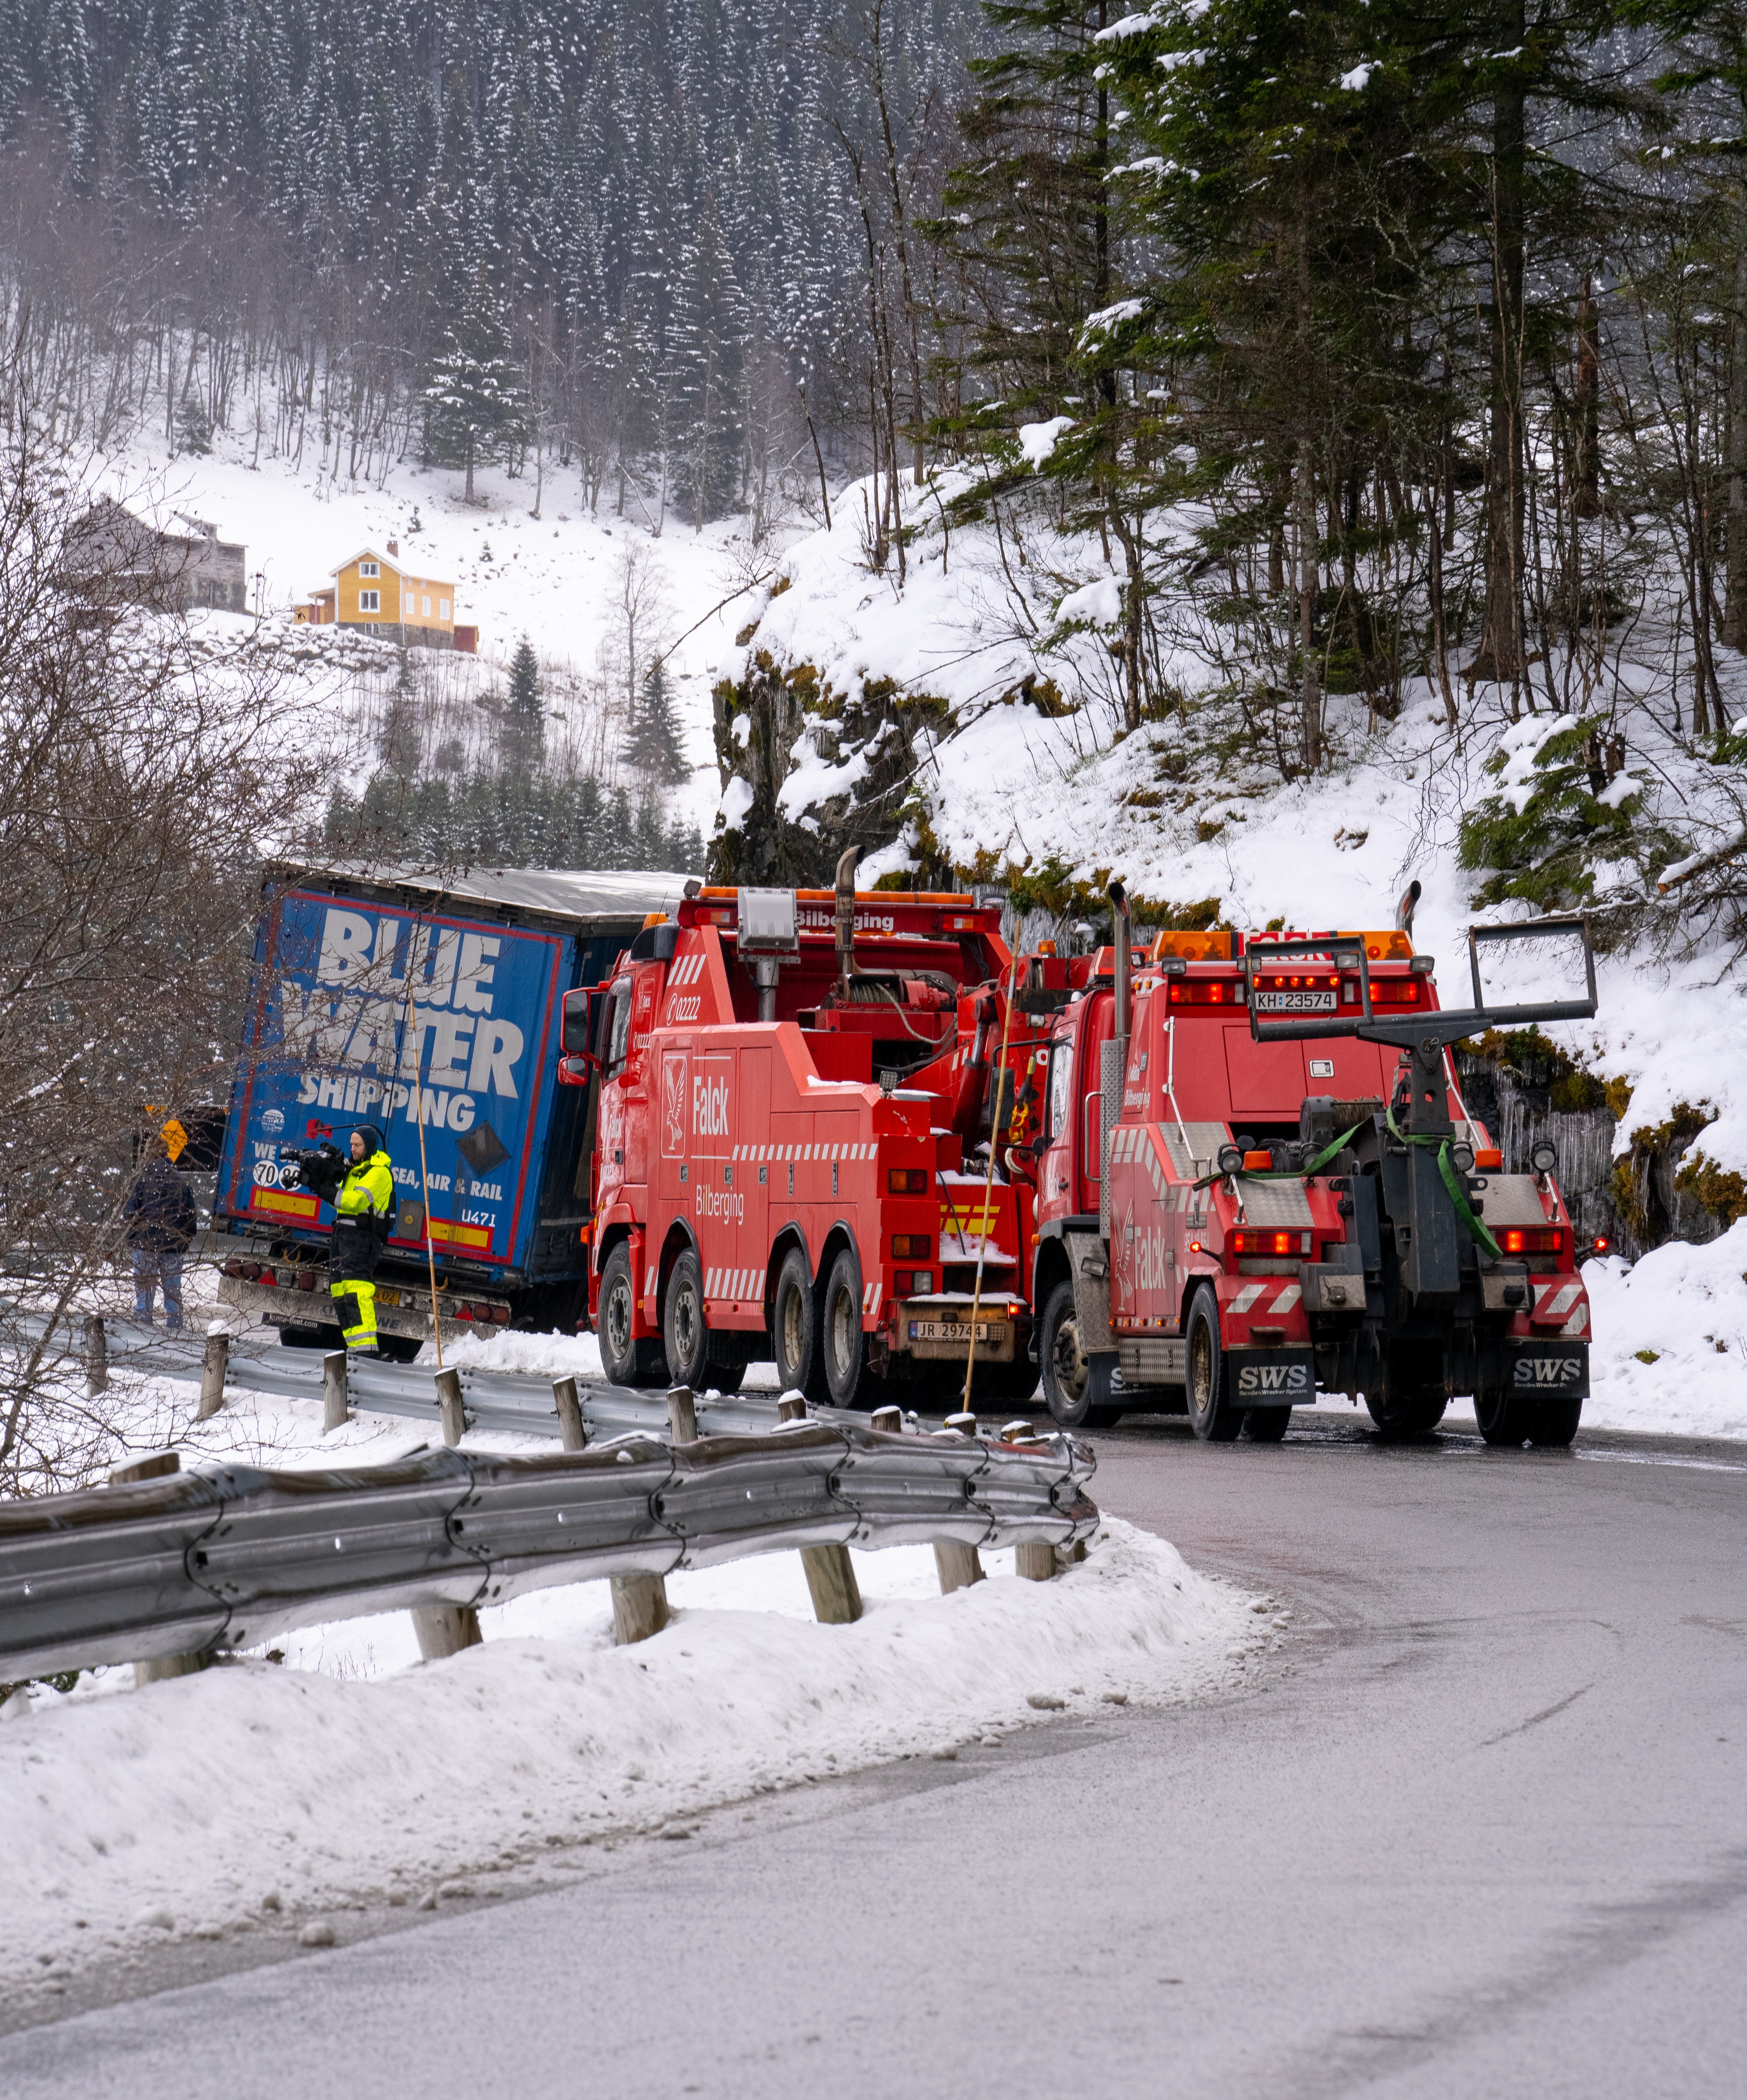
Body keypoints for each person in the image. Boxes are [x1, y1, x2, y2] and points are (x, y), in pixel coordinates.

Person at [328, 1124, 395, 1355]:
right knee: (340, 1292)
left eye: (358, 1145)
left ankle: (367, 1349)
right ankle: (356, 1346)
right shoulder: (355, 1171)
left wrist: (326, 1192)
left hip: (361, 1239)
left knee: (357, 1292)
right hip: (342, 1235)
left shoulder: (379, 1173)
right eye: (352, 1145)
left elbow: (355, 1202)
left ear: (370, 1146)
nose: (353, 1149)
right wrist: (325, 1183)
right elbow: (341, 1202)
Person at [124, 1139, 198, 1331]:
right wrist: (184, 1242)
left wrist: (134, 1237)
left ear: (148, 1155)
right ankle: (175, 1330)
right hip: (173, 1246)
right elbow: (191, 1218)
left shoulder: (142, 1181)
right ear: (167, 1154)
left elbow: (130, 1214)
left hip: (145, 1245)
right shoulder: (181, 1181)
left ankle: (143, 1331)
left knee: (144, 1294)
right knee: (173, 1293)